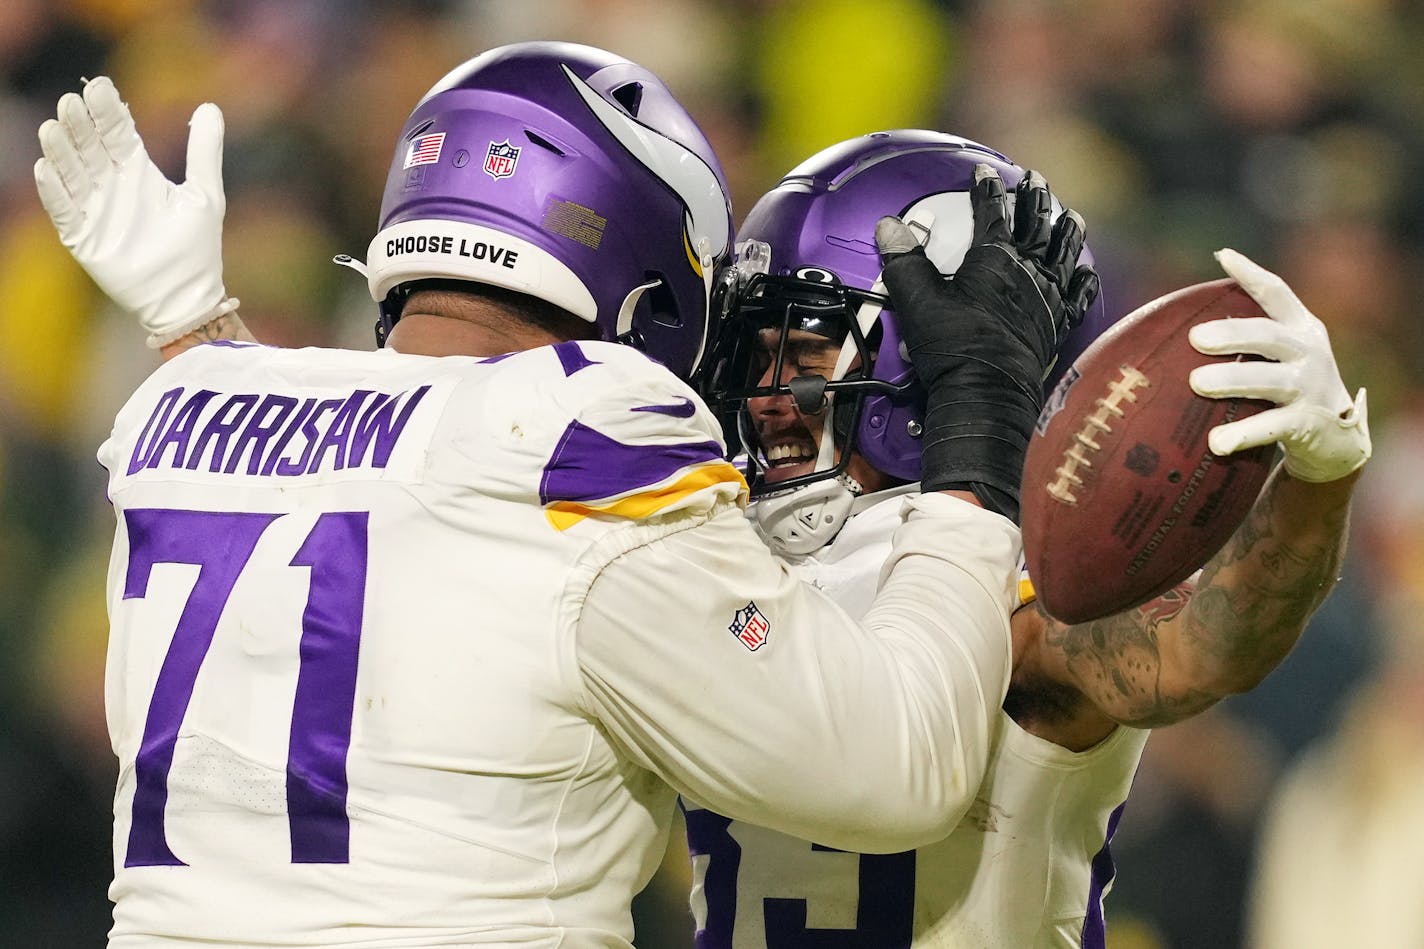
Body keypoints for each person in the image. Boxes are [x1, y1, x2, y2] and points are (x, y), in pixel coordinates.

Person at [33, 49, 1094, 947]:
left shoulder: (190, 403)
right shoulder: (588, 431)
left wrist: (190, 314)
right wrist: (978, 431)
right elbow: (895, 770)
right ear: (649, 280)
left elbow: (363, 476)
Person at [684, 130, 1372, 947]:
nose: (764, 397)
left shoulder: (1026, 581)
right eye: (752, 354)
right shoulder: (710, 543)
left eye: (800, 352)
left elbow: (1200, 650)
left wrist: (1318, 482)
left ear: (919, 357)